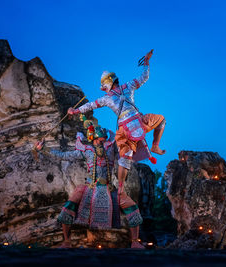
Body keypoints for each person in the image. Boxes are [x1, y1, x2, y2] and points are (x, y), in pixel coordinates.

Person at [67, 50, 166, 208]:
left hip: (127, 128)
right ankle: (155, 145)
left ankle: (120, 188)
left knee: (125, 158)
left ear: (106, 84)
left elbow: (90, 105)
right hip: (138, 122)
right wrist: (146, 64)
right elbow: (144, 77)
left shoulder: (107, 98)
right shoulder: (128, 86)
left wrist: (75, 111)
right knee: (161, 120)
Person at [35, 118, 144, 249]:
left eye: (104, 140)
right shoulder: (86, 150)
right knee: (67, 209)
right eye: (100, 140)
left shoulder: (111, 147)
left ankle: (135, 242)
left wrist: (130, 133)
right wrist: (44, 149)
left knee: (132, 208)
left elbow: (125, 151)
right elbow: (64, 155)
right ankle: (67, 242)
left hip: (109, 188)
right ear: (94, 139)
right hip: (90, 187)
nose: (102, 143)